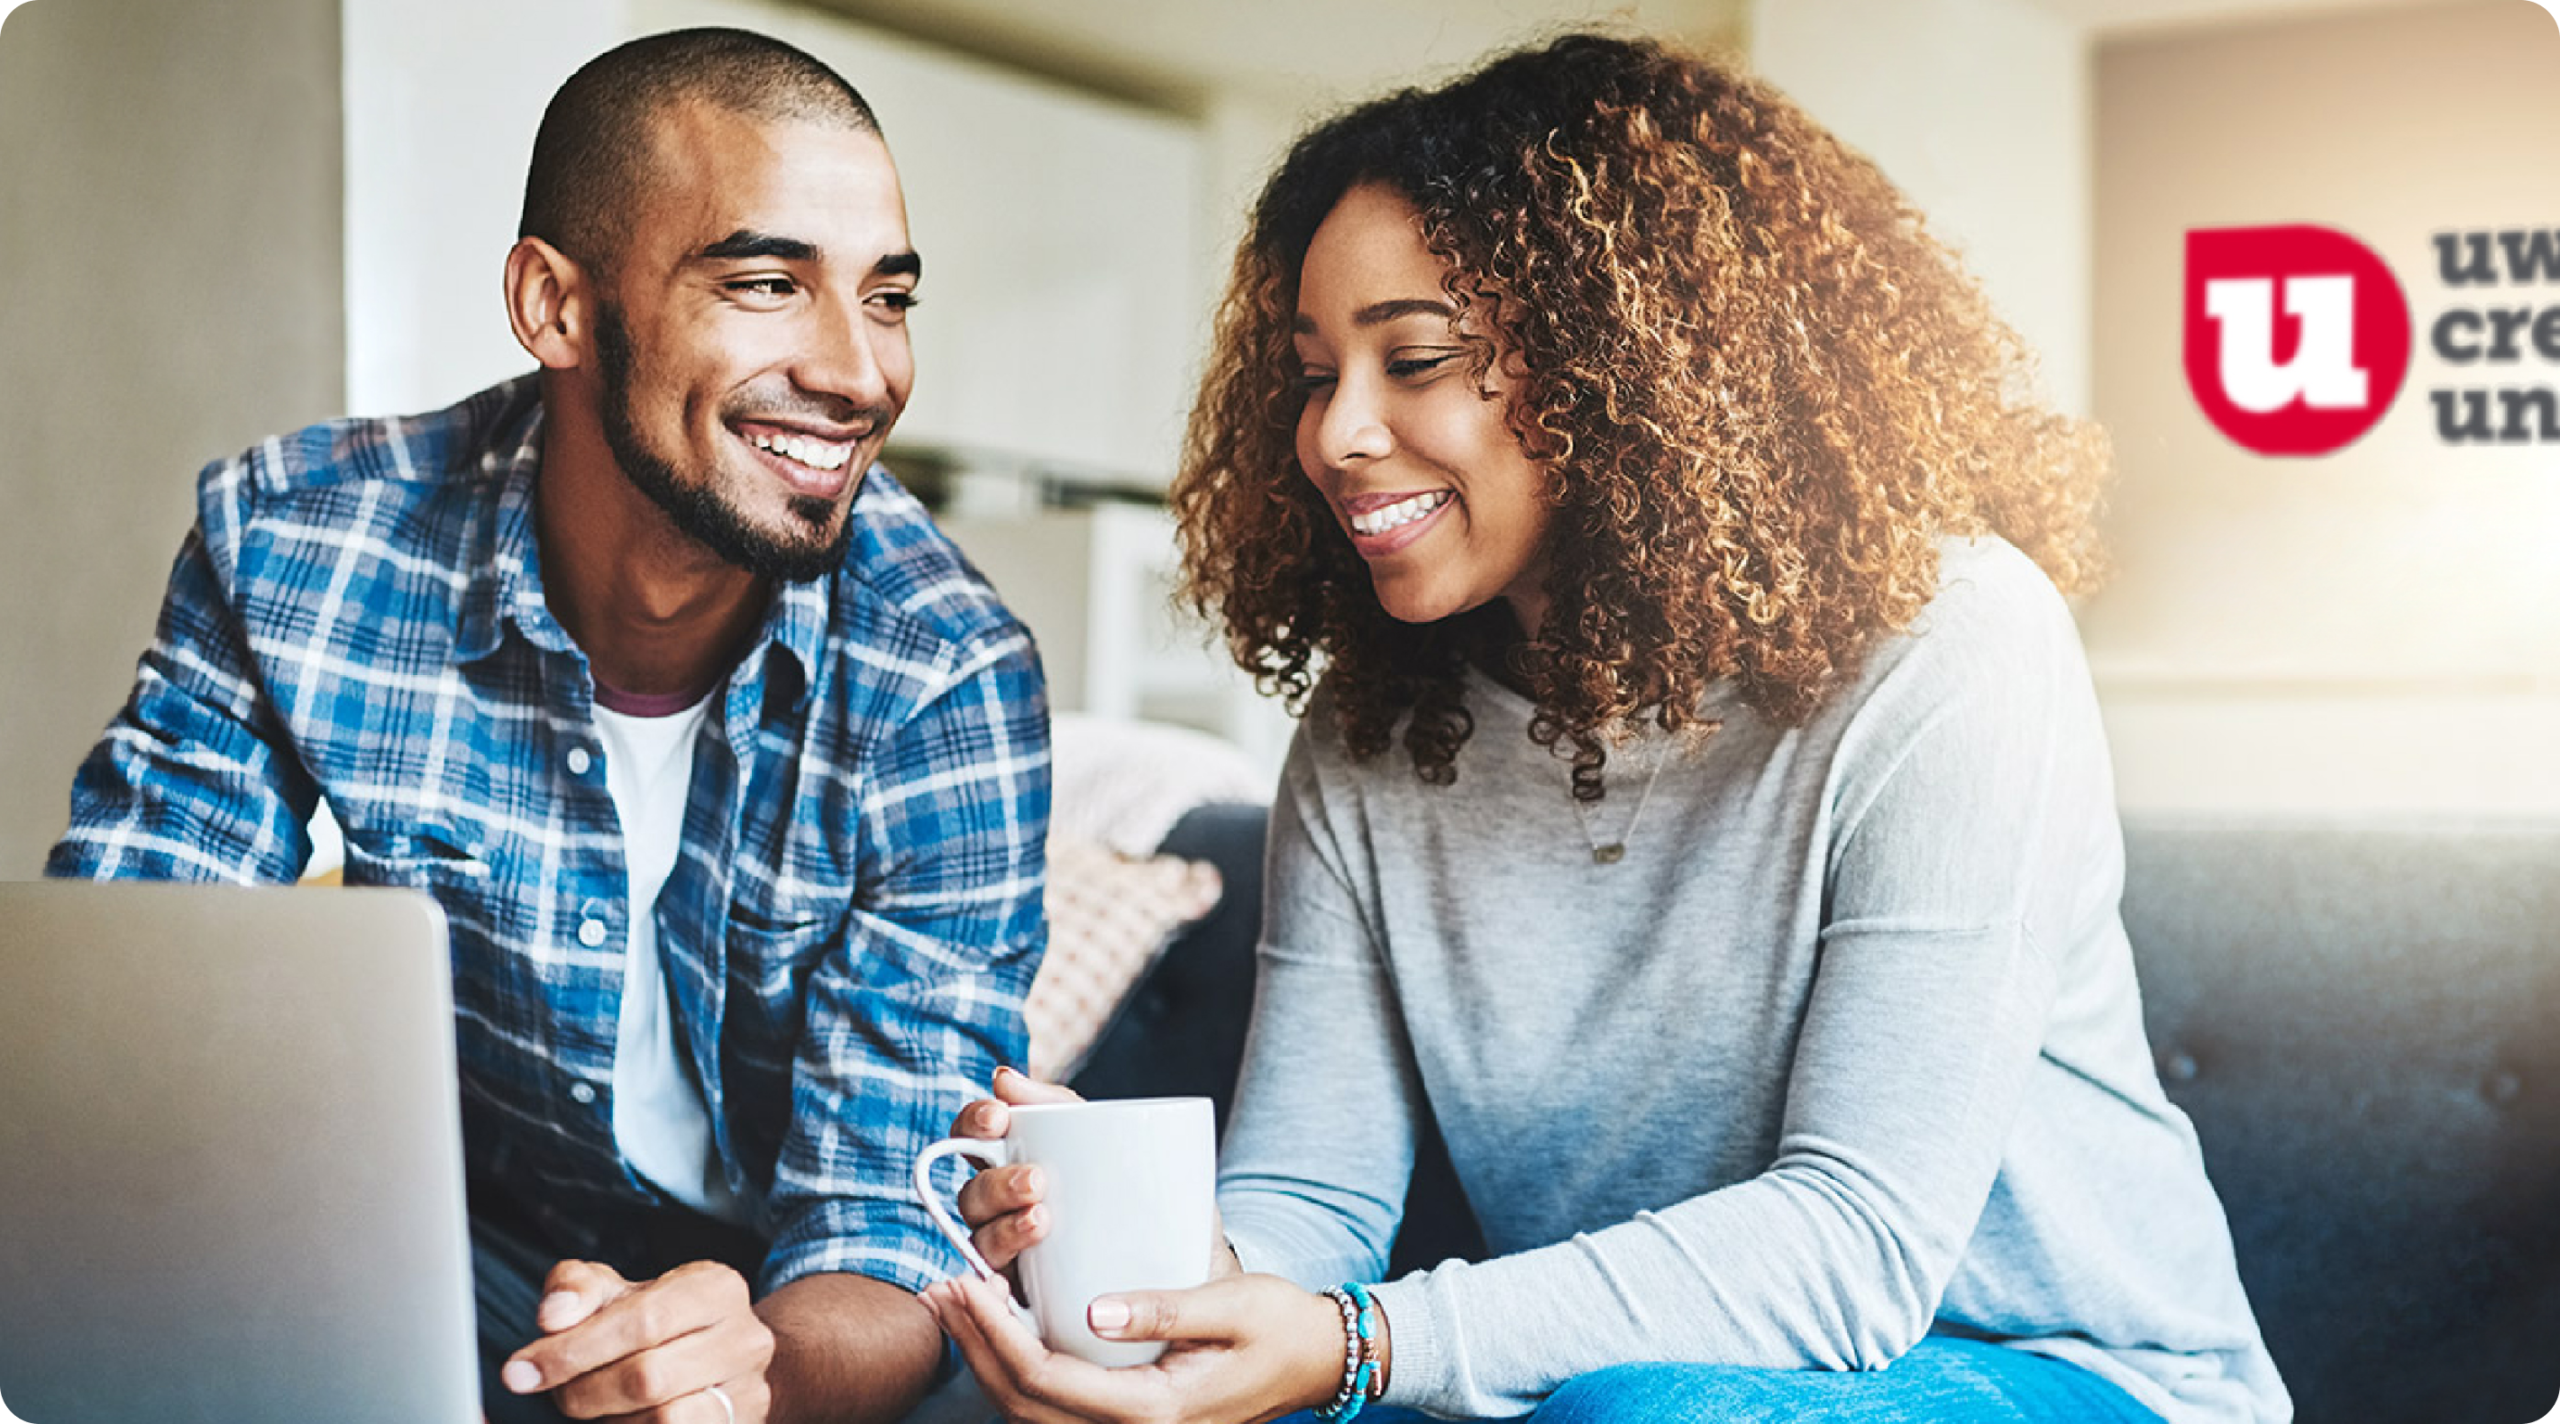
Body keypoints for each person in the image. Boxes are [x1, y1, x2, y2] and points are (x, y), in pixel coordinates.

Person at [920, 32, 2289, 1424]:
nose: (1335, 434)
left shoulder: (1955, 646)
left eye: (1418, 360)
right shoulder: (1372, 724)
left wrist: (1360, 1346)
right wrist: (1159, 1281)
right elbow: (1314, 1202)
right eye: (1314, 373)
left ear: (1623, 369)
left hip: (2073, 1379)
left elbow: (1854, 1252)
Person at [47, 27, 1049, 1424]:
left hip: (796, 1316)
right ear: (553, 304)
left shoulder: (946, 675)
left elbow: (892, 1229)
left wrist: (742, 1370)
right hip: (467, 1260)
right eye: (768, 284)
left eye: (887, 298)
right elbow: (121, 1014)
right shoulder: (297, 550)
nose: (860, 370)